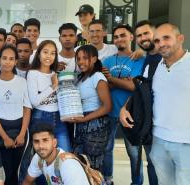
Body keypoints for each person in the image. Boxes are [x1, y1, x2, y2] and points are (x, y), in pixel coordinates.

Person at [120, 23, 190, 185]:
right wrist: (125, 108)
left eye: (166, 38)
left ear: (180, 38)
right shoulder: (153, 66)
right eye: (157, 40)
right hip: (158, 141)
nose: (161, 43)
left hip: (186, 143)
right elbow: (143, 91)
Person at [101, 24, 146, 185]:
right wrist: (124, 81)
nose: (119, 39)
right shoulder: (107, 60)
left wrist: (112, 79)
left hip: (130, 112)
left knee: (134, 153)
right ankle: (107, 179)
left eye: (123, 35)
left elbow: (135, 86)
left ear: (131, 37)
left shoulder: (139, 59)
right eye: (116, 36)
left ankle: (137, 183)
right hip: (109, 111)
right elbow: (103, 85)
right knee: (107, 149)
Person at [0, 45, 32, 185]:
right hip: (0, 130)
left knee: (18, 170)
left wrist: (22, 134)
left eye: (11, 59)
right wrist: (4, 137)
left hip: (20, 129)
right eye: (4, 58)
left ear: (16, 61)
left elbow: (27, 108)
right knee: (3, 171)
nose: (7, 62)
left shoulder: (22, 82)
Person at [66, 45, 112, 171]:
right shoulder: (81, 78)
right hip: (82, 124)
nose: (80, 62)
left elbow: (107, 107)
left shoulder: (98, 76)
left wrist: (84, 119)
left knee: (94, 166)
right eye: (78, 58)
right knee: (81, 162)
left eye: (85, 58)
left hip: (96, 125)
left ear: (94, 59)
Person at [27, 40, 71, 151]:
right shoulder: (33, 73)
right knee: (42, 156)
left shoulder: (55, 74)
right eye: (45, 52)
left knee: (65, 154)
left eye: (53, 53)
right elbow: (34, 102)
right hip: (41, 117)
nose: (49, 56)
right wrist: (53, 86)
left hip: (59, 117)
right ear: (39, 54)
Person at [23, 123, 90, 185]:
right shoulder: (38, 158)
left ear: (54, 142)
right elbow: (28, 181)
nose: (41, 146)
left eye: (45, 140)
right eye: (36, 141)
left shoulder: (68, 164)